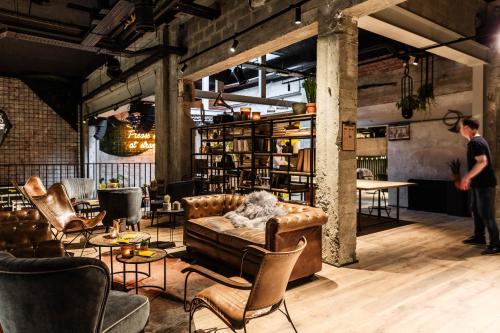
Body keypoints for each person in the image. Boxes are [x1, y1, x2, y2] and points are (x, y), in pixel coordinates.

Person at [458, 118, 500, 255]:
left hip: (485, 185)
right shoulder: (475, 142)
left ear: (468, 128)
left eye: (461, 127)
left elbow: (482, 162)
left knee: (487, 214)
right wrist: (471, 179)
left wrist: (467, 177)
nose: (460, 130)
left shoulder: (476, 143)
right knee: (476, 210)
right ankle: (479, 237)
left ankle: (496, 244)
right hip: (479, 184)